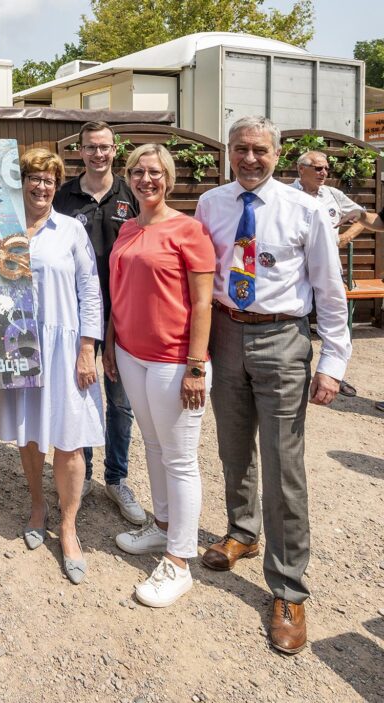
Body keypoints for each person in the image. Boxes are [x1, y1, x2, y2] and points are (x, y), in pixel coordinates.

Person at [196, 116, 351, 654]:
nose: (249, 159)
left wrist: (333, 362)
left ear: (277, 154)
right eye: (240, 149)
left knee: (284, 464)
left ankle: (288, 588)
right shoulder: (211, 204)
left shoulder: (306, 209)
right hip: (225, 332)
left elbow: (330, 291)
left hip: (283, 338)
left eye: (259, 150)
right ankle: (241, 531)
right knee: (233, 446)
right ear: (230, 152)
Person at [0, 148, 104, 585]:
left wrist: (88, 347)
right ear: (22, 183)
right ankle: (38, 506)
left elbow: (90, 290)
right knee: (30, 433)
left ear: (57, 185)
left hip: (64, 343)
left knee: (69, 441)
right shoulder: (1, 228)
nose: (41, 185)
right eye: (33, 177)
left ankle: (68, 528)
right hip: (16, 343)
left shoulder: (71, 230)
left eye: (49, 179)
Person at [103, 144, 215, 608]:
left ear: (168, 178)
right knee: (151, 445)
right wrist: (110, 342)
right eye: (139, 172)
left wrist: (195, 365)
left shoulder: (189, 230)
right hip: (131, 353)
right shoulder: (128, 228)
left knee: (181, 458)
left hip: (174, 361)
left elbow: (203, 303)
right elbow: (120, 290)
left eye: (155, 172)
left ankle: (179, 561)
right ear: (128, 176)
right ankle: (163, 526)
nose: (147, 179)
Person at [53, 121, 145, 524]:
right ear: (80, 151)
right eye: (91, 147)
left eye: (105, 147)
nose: (98, 154)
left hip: (124, 316)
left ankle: (117, 478)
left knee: (120, 403)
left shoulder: (132, 194)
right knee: (83, 398)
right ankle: (84, 474)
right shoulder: (63, 196)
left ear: (115, 150)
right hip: (76, 317)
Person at [291, 149, 384, 397]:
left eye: (326, 169)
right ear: (301, 169)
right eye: (318, 168)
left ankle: (332, 373)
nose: (324, 173)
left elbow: (362, 217)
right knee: (297, 324)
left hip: (329, 271)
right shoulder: (286, 196)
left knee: (333, 321)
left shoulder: (332, 195)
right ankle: (298, 374)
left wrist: (344, 237)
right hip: (296, 274)